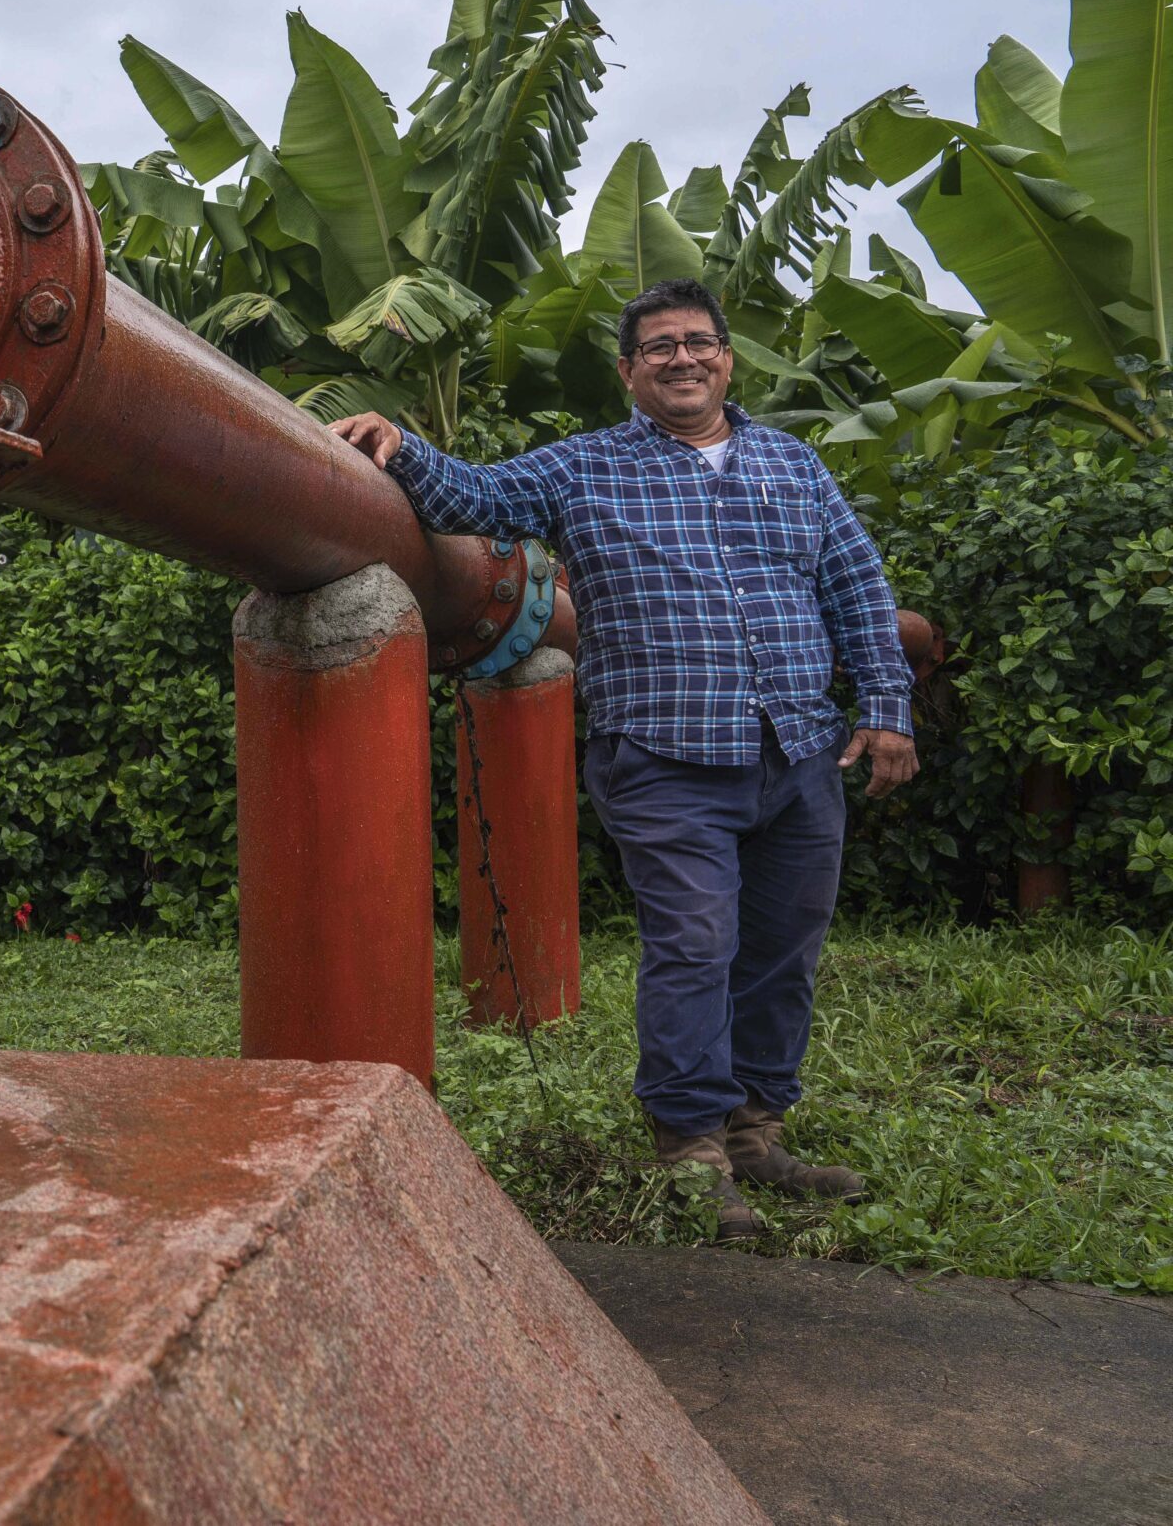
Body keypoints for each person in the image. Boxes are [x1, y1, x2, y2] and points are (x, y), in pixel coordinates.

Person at [330, 277, 916, 1240]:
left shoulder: (796, 467)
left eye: (699, 342)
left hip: (799, 752)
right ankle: (689, 1148)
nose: (682, 358)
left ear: (728, 357)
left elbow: (857, 584)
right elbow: (483, 494)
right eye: (659, 348)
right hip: (665, 755)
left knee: (781, 956)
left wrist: (886, 708)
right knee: (695, 945)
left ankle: (757, 1131)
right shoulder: (584, 468)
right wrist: (401, 446)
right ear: (629, 371)